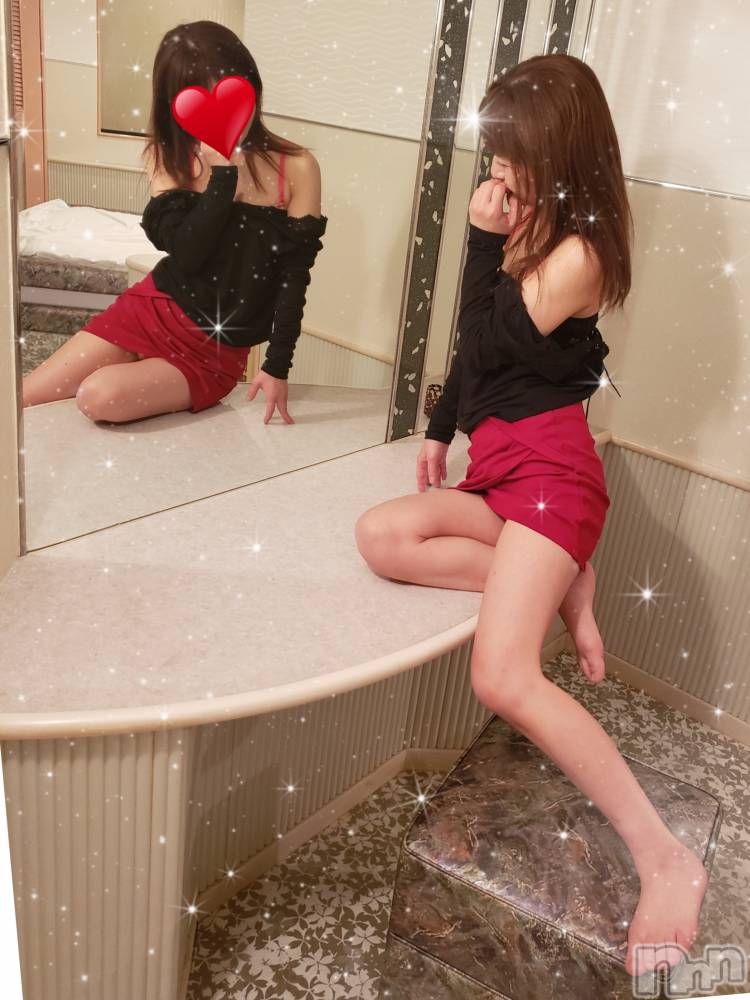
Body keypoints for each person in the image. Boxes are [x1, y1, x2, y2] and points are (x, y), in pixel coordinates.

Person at [355, 53, 707, 978]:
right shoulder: (534, 223)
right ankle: (558, 577)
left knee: (503, 677)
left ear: (555, 148)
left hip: (552, 474)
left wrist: (480, 241)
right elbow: (479, 364)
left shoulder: (581, 252)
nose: (498, 166)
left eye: (511, 149)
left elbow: (488, 338)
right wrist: (441, 429)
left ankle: (665, 857)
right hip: (500, 470)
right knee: (383, 535)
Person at [22, 20, 327, 424]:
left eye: (231, 90)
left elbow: (294, 275)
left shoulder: (298, 167)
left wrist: (277, 366)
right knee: (23, 399)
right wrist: (223, 177)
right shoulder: (168, 158)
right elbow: (188, 255)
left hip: (212, 352)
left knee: (97, 397)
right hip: (150, 310)